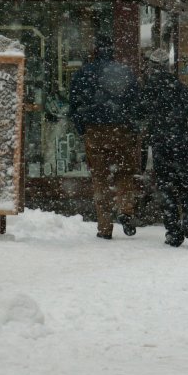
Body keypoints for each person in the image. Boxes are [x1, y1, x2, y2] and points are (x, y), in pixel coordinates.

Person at [67, 34, 141, 240]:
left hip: (94, 131)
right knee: (124, 173)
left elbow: (74, 104)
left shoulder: (83, 73)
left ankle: (105, 226)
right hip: (121, 130)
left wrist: (83, 128)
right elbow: (136, 104)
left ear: (95, 51)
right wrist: (131, 128)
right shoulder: (125, 73)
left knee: (100, 178)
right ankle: (126, 210)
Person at [139, 49, 188, 247]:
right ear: (167, 66)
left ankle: (173, 231)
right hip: (181, 141)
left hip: (160, 143)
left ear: (152, 66)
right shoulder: (180, 87)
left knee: (166, 187)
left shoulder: (147, 89)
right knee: (187, 185)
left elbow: (140, 115)